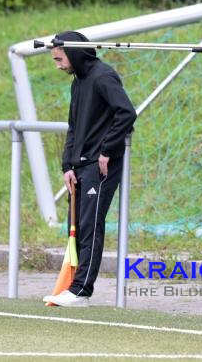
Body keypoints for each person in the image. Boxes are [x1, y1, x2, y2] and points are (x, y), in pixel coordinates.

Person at [43, 31, 137, 307]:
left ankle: (82, 291)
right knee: (78, 225)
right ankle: (74, 286)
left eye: (59, 59)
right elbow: (73, 127)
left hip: (101, 166)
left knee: (90, 224)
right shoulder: (78, 82)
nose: (58, 65)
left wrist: (107, 151)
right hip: (80, 168)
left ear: (73, 54)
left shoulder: (103, 76)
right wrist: (67, 165)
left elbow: (126, 113)